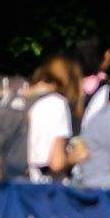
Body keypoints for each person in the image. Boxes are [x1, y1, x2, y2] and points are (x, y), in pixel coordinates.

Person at [24, 54, 85, 182]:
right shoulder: (57, 104)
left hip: (20, 181)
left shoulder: (25, 98)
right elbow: (57, 163)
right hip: (45, 184)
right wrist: (75, 156)